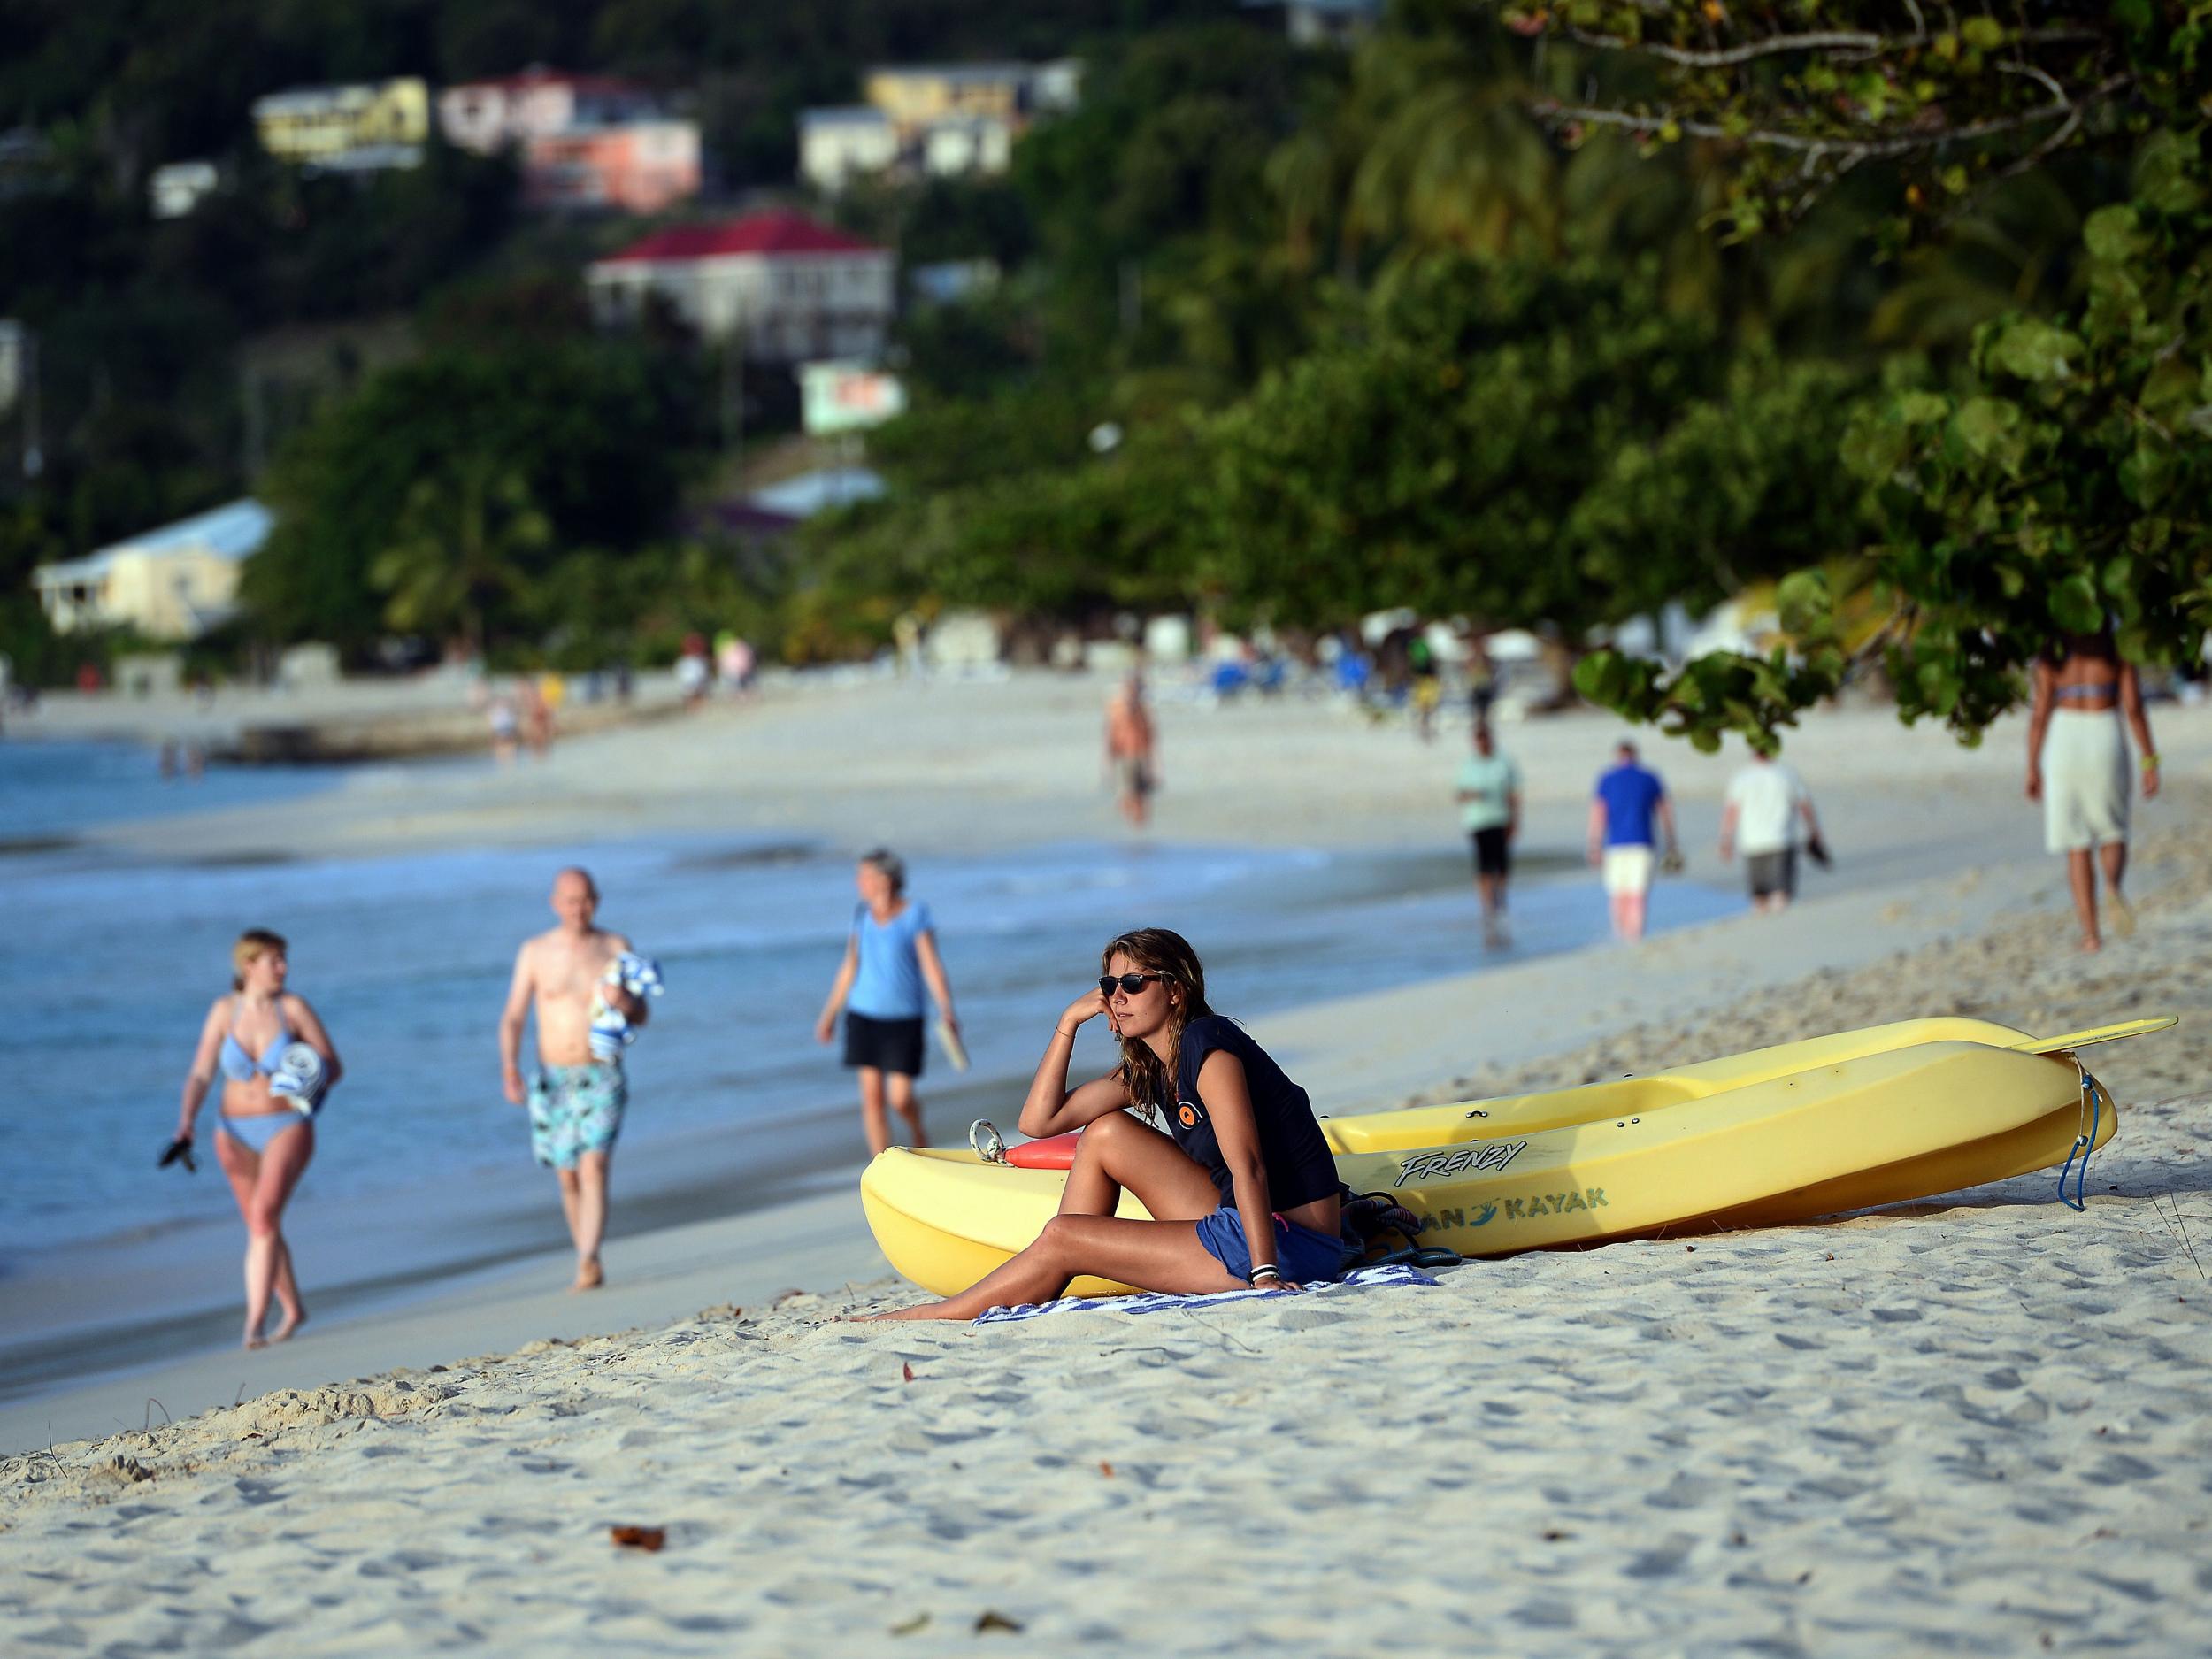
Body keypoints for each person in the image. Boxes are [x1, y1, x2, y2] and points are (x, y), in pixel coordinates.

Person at [863, 927, 1353, 1321]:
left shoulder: (1209, 1044)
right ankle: (1068, 1253)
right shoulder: (1153, 1066)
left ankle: (944, 1311)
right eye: (1109, 986)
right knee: (1105, 1133)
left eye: (1135, 983)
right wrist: (1069, 1023)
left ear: (1176, 991)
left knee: (1063, 1236)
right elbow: (1040, 1121)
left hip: (1289, 1243)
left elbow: (1248, 1165)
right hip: (1250, 1222)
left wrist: (1264, 1274)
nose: (1118, 997)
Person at [171, 929, 342, 1348]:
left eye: (284, 959)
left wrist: (306, 1083)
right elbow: (200, 1072)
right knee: (260, 1224)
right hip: (231, 1130)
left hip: (287, 1125)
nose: (284, 968)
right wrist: (186, 1122)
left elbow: (333, 1065)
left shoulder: (293, 1009)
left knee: (264, 1218)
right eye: (275, 960)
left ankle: (253, 1324)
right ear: (249, 965)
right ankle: (293, 1307)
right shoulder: (223, 1011)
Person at [499, 868, 647, 1290]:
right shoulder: (535, 952)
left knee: (594, 1165)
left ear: (596, 900)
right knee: (567, 1175)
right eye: (569, 900)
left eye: (585, 899)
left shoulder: (615, 948)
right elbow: (513, 1016)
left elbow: (642, 1015)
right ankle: (585, 1251)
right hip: (552, 1077)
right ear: (554, 902)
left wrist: (627, 1002)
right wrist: (509, 1067)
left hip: (603, 1072)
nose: (578, 908)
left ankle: (588, 1258)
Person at [816, 850, 960, 1156]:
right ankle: (880, 1166)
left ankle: (919, 1134)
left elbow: (931, 964)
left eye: (863, 876)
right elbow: (849, 967)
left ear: (885, 879)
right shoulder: (861, 914)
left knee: (900, 1098)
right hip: (863, 1014)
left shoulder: (915, 914)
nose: (858, 883)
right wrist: (829, 1014)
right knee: (871, 1099)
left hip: (905, 1018)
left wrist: (946, 1008)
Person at [2026, 630, 2160, 952]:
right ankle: (2112, 886)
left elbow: (2040, 714)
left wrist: (2032, 766)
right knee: (2112, 830)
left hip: (2065, 736)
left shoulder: (2053, 652)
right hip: (2105, 730)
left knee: (2076, 842)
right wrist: (2149, 759)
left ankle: (2090, 934)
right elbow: (2134, 709)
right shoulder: (2114, 649)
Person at [1587, 740, 1679, 941]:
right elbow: (1665, 812)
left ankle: (1620, 935)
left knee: (1618, 894)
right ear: (1635, 755)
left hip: (1616, 845)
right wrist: (1672, 842)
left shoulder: (1608, 779)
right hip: (1643, 843)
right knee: (1637, 894)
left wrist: (1594, 844)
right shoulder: (1649, 778)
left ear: (1618, 756)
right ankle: (1635, 935)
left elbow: (1598, 814)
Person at [1720, 749, 1823, 914]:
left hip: (1752, 842)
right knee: (1780, 894)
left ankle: (1763, 932)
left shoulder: (1741, 777)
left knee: (1759, 897)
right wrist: (1815, 831)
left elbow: (1731, 811)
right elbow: (1804, 806)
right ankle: (1778, 932)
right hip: (1781, 840)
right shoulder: (1787, 774)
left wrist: (1726, 840)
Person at [1455, 722, 1521, 948]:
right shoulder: (1468, 765)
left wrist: (1515, 820)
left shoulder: (1503, 762)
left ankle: (1500, 901)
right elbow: (1458, 793)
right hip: (1478, 821)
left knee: (1502, 865)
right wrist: (1471, 795)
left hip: (1500, 819)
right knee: (1483, 866)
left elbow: (1514, 793)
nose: (1483, 743)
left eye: (1485, 739)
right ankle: (1486, 908)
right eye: (1479, 740)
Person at [1104, 674, 1157, 828]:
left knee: (1141, 792)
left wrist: (1154, 762)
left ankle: (1140, 824)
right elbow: (1110, 734)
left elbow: (1151, 735)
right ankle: (1126, 823)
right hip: (1123, 755)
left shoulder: (1143, 708)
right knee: (1126, 791)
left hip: (1140, 754)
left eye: (1133, 689)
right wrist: (1108, 760)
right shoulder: (1115, 707)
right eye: (1128, 689)